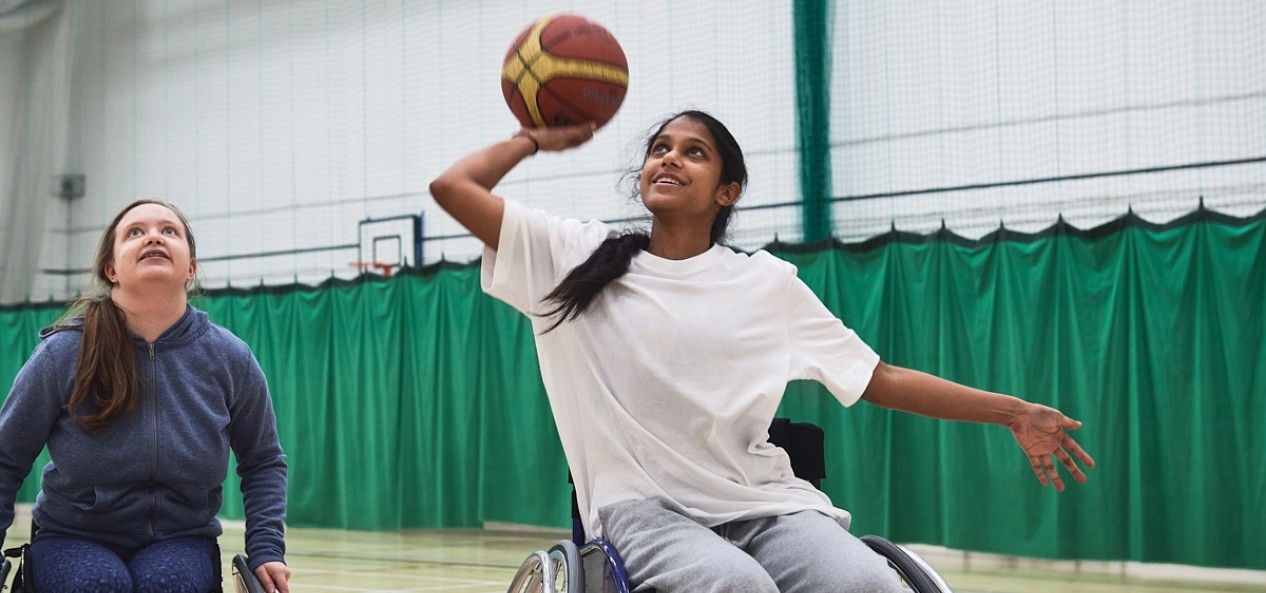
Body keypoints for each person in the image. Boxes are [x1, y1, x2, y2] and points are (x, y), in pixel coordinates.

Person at [429, 111, 1096, 593]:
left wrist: (1012, 412)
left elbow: (879, 375)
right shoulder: (573, 256)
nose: (668, 157)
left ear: (728, 191)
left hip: (765, 503)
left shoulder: (767, 284)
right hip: (645, 508)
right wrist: (533, 137)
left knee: (866, 580)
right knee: (735, 585)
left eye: (694, 152)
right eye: (660, 147)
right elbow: (452, 189)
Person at [0, 199, 290, 593]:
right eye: (135, 232)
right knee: (99, 584)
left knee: (165, 585)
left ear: (190, 267)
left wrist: (267, 550)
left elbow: (263, 461)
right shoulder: (62, 353)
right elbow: (6, 457)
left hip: (182, 538)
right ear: (111, 269)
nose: (154, 235)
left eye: (169, 231)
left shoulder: (229, 357)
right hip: (71, 536)